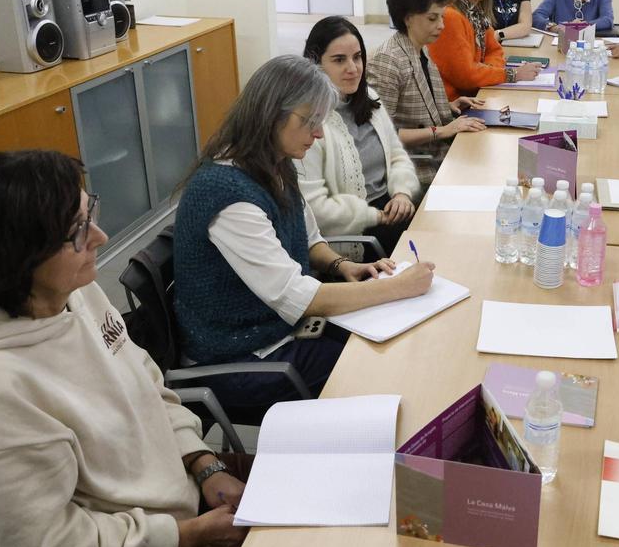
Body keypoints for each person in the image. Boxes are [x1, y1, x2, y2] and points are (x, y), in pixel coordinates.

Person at [0, 150, 251, 547]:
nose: (100, 237)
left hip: (181, 494)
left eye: (90, 213)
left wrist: (202, 462)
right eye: (77, 230)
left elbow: (145, 382)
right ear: (14, 257)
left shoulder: (71, 290)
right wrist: (187, 535)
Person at [174, 55, 435, 410]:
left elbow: (308, 237)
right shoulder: (227, 194)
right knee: (377, 366)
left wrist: (342, 265)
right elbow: (297, 297)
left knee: (391, 341)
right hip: (241, 355)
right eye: (309, 121)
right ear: (270, 114)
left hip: (278, 329)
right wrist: (398, 287)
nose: (318, 133)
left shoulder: (275, 163)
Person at [300, 16, 422, 256]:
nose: (353, 68)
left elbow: (398, 156)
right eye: (339, 60)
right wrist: (376, 216)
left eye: (357, 57)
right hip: (358, 232)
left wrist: (402, 193)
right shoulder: (308, 123)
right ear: (315, 64)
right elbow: (314, 209)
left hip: (393, 208)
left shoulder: (370, 98)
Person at [369, 0, 488, 186]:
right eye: (433, 18)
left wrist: (448, 105)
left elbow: (413, 103)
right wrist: (442, 130)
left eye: (442, 17)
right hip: (415, 167)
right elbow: (379, 134)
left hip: (436, 154)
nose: (441, 25)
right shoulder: (387, 60)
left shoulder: (421, 48)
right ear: (408, 18)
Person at [431, 0, 542, 100]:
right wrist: (512, 74)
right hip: (454, 104)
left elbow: (495, 51)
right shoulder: (450, 16)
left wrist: (486, 71)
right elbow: (467, 76)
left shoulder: (477, 14)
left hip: (476, 94)